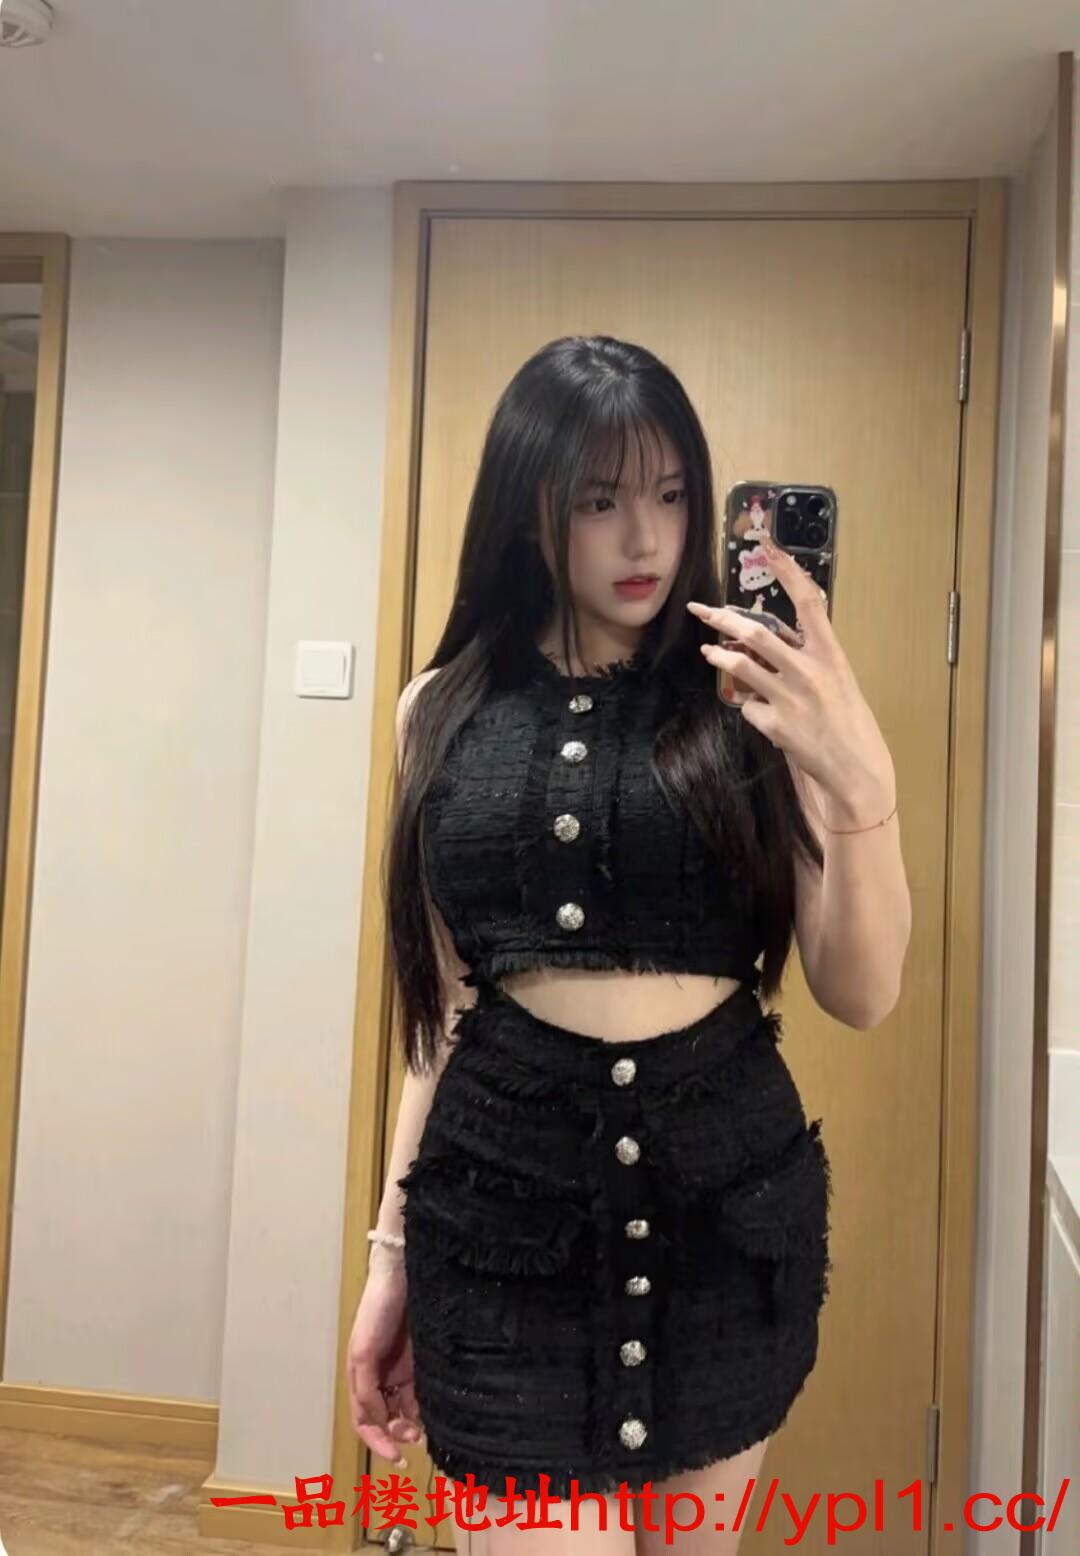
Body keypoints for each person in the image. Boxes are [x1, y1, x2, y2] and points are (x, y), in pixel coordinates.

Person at [346, 335, 911, 1554]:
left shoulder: (754, 696)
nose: (645, 537)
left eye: (671, 494)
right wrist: (387, 1257)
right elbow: (440, 1018)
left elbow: (862, 990)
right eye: (600, 501)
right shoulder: (438, 710)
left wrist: (860, 776)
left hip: (723, 1228)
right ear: (530, 508)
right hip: (502, 1238)